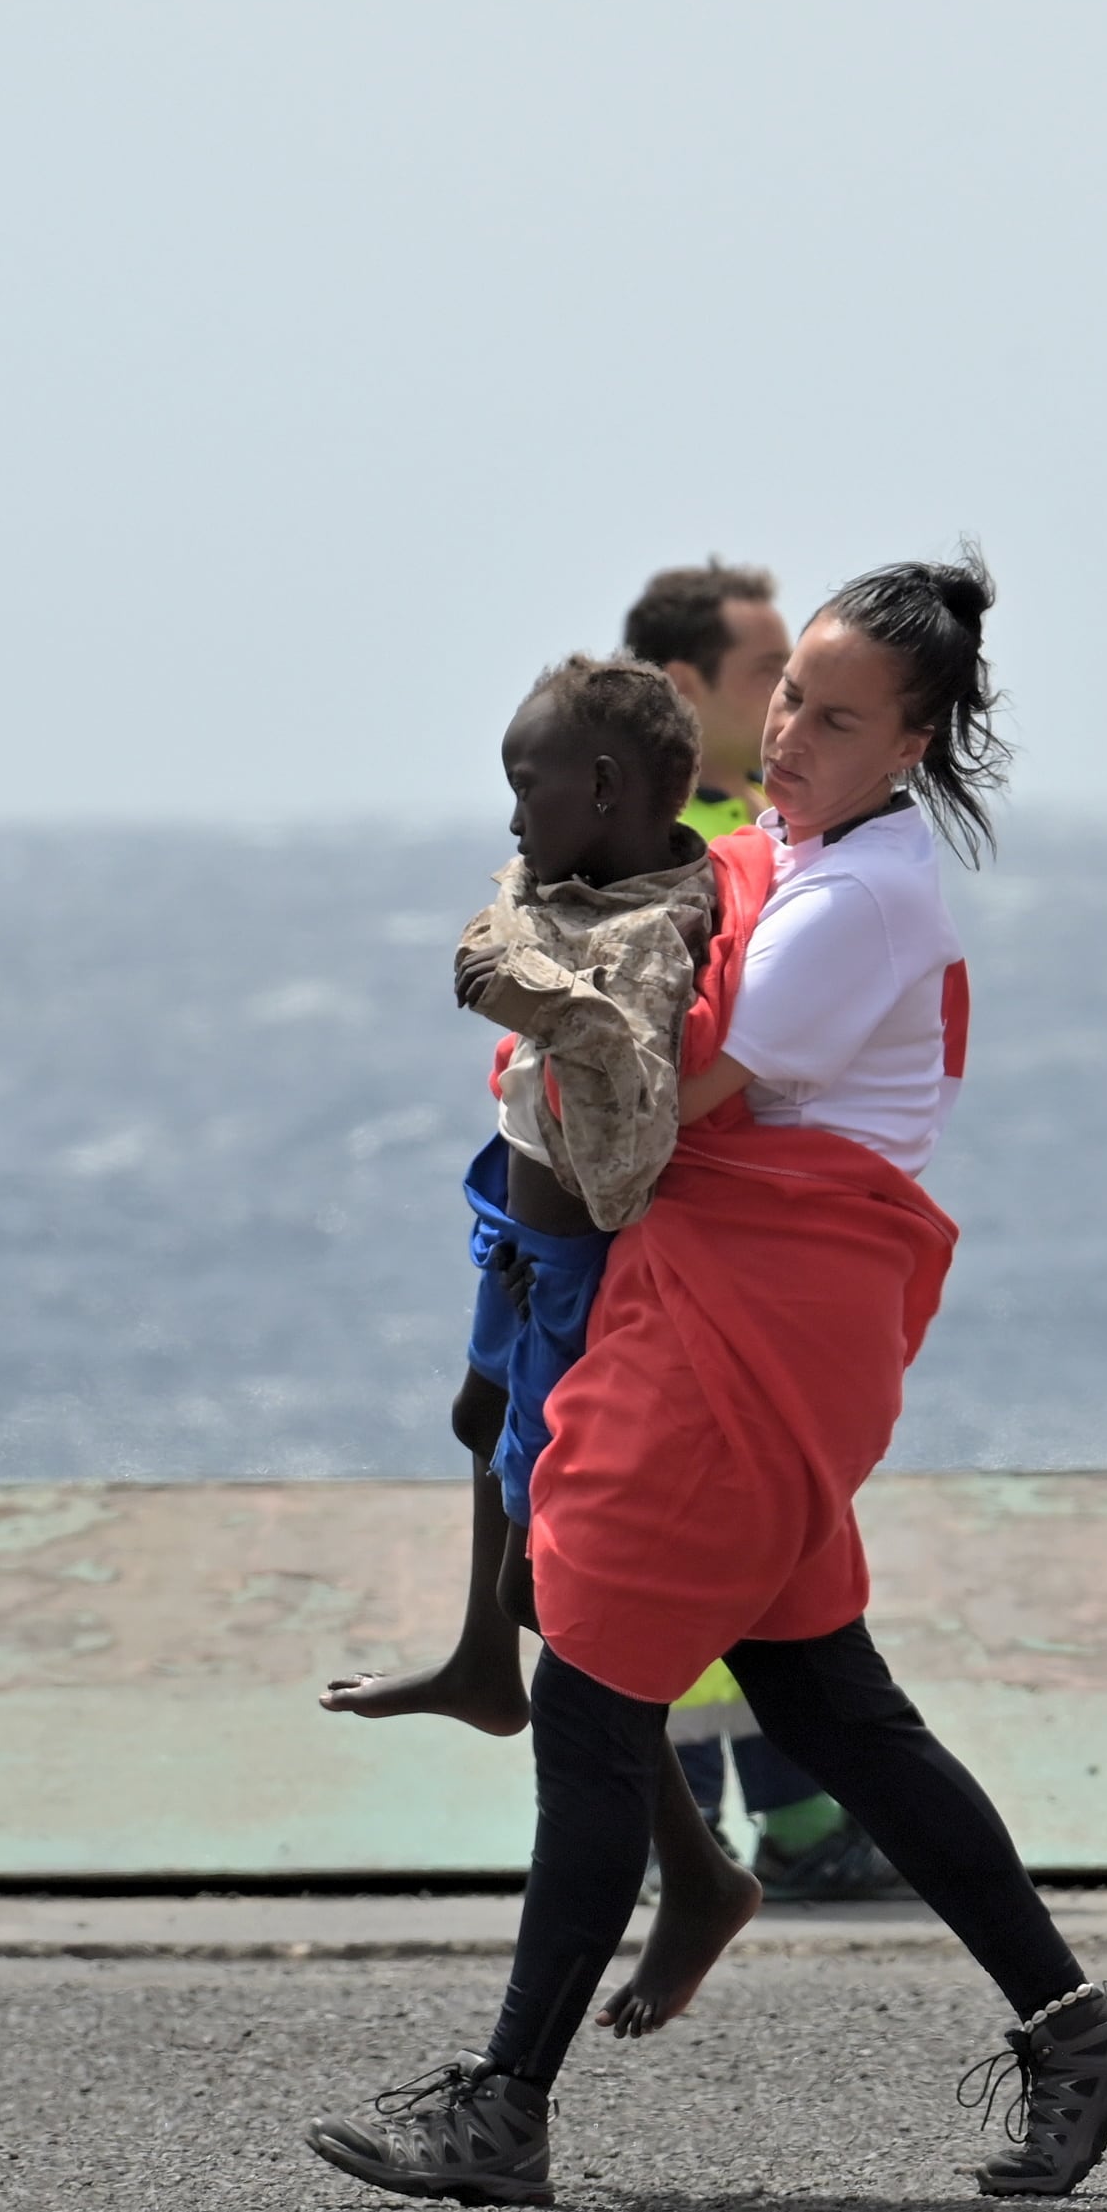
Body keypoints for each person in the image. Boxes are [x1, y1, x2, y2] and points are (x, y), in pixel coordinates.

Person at [306, 556, 1107, 2208]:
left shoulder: (863, 902)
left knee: (586, 1700)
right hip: (757, 1311)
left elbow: (658, 1113)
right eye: (786, 698)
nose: (787, 734)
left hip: (754, 1316)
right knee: (825, 1702)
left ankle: (502, 2109)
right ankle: (1082, 2036)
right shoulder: (787, 852)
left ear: (912, 745)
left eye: (836, 718)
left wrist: (537, 1010)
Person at [315, 657, 771, 2030]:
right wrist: (516, 932)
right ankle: (474, 1659)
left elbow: (628, 1146)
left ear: (611, 791)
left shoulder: (640, 938)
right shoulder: (573, 885)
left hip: (575, 1257)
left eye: (532, 784)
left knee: (553, 1592)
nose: (512, 814)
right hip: (512, 1228)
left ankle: (692, 1876)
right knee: (476, 1427)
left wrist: (535, 995)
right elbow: (512, 906)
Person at [623, 558, 899, 1890]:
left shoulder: (749, 823)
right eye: (765, 680)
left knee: (739, 1544)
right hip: (679, 1250)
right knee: (699, 1550)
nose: (789, 706)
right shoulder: (643, 835)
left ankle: (772, 1831)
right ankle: (770, 1836)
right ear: (685, 689)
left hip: (740, 1242)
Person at [626, 559, 796, 839]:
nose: (787, 691)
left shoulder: (813, 806)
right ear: (681, 685)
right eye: (767, 671)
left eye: (788, 671)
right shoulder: (649, 839)